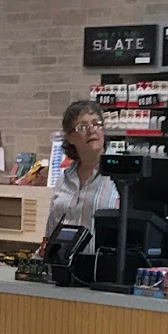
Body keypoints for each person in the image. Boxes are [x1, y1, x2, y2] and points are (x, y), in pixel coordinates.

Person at [46, 100, 118, 238]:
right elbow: (51, 230)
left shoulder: (120, 173)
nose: (92, 130)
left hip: (102, 252)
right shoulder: (65, 178)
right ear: (70, 138)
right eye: (82, 127)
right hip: (64, 252)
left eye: (96, 124)